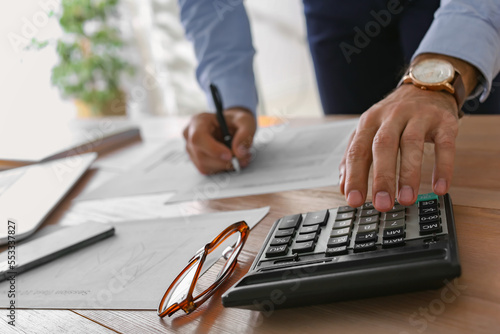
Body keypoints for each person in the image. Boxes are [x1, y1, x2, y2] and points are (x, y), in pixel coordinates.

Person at [178, 0, 500, 212]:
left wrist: (436, 78)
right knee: (363, 171)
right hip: (336, 11)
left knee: (472, 173)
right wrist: (231, 97)